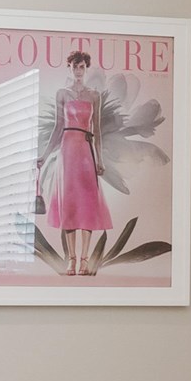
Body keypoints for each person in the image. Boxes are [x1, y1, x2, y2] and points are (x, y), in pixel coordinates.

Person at [46, 50, 115, 274]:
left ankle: (85, 260)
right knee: (69, 203)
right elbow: (57, 127)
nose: (78, 71)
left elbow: (96, 130)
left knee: (87, 203)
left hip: (85, 152)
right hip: (67, 151)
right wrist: (45, 155)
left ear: (86, 69)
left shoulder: (94, 95)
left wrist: (100, 160)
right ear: (69, 68)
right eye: (75, 67)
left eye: (82, 67)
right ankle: (71, 259)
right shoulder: (62, 94)